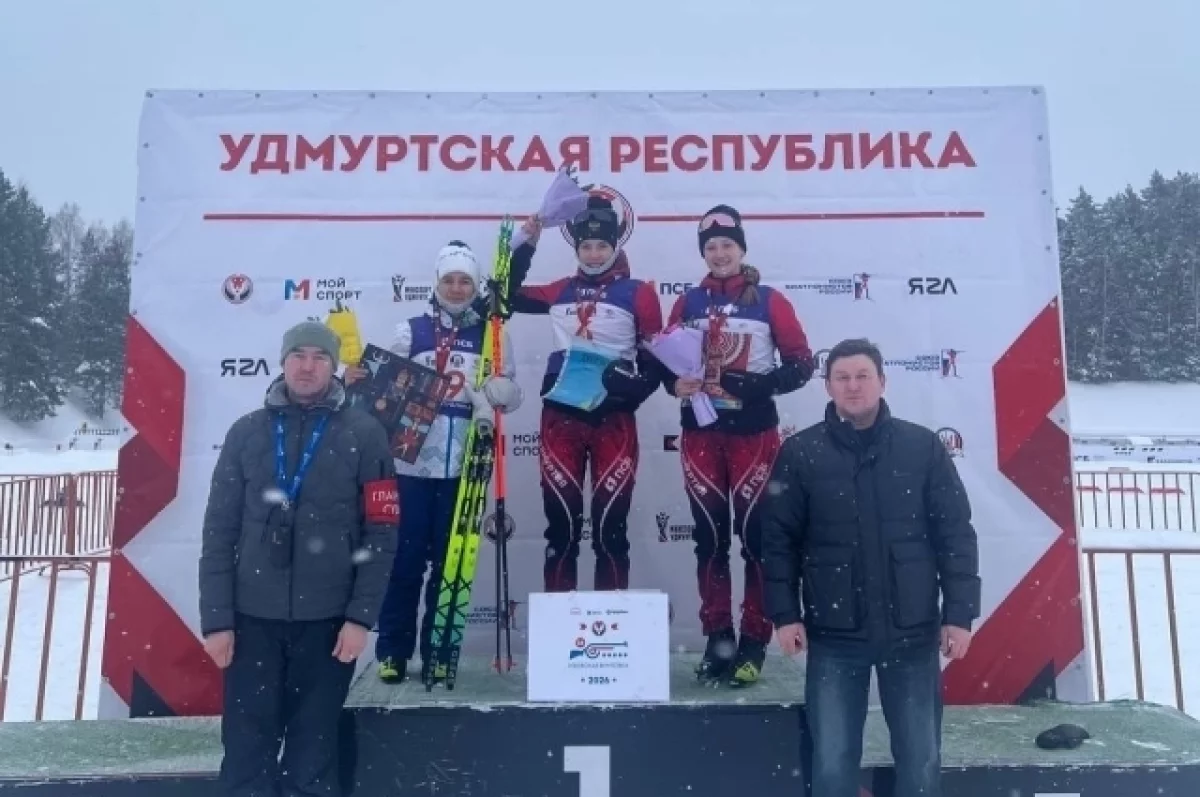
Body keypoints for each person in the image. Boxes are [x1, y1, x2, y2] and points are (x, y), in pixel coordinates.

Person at [760, 337, 981, 797]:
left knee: (920, 760)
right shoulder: (801, 452)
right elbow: (778, 542)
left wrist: (959, 614)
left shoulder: (922, 448)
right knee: (833, 762)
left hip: (912, 634)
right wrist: (785, 615)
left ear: (883, 381)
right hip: (834, 637)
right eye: (842, 377)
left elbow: (956, 535)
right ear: (827, 386)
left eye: (863, 376)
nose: (853, 386)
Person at [198, 320, 400, 797]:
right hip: (252, 623)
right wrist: (217, 621)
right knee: (246, 755)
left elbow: (382, 531)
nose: (308, 367)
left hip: (328, 627)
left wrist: (360, 619)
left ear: (334, 366)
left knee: (313, 756)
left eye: (319, 357)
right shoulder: (246, 433)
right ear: (283, 362)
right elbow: (218, 531)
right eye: (298, 356)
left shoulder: (366, 434)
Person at [343, 240, 524, 684]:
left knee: (450, 567)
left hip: (464, 466)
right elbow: (382, 388)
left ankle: (439, 652)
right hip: (410, 464)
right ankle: (392, 651)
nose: (457, 288)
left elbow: (507, 392)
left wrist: (501, 393)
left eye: (465, 282)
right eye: (450, 280)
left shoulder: (492, 335)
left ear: (476, 287)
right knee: (404, 562)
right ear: (437, 283)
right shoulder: (411, 331)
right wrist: (357, 379)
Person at [660, 204, 815, 687]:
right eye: (711, 247)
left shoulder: (769, 300)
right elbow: (667, 363)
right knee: (709, 541)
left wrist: (759, 385)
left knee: (756, 540)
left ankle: (752, 642)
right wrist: (674, 385)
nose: (720, 253)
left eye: (727, 245)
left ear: (741, 249)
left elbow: (802, 364)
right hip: (701, 433)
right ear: (703, 253)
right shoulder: (687, 302)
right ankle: (717, 640)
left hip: (753, 435)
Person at [508, 195, 664, 592]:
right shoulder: (559, 290)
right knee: (561, 527)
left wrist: (631, 393)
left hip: (613, 419)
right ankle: (561, 621)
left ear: (615, 246)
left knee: (611, 528)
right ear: (576, 248)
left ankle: (609, 619)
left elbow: (656, 359)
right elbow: (505, 296)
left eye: (602, 246)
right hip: (562, 418)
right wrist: (526, 244)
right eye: (586, 246)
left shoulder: (639, 293)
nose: (594, 254)